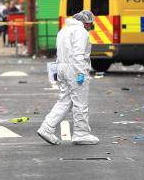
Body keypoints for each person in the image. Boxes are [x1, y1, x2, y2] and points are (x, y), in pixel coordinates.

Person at [37, 9, 99, 145]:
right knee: (80, 102)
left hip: (61, 68)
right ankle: (81, 134)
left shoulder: (63, 30)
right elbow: (78, 54)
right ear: (86, 22)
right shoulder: (81, 32)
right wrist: (81, 72)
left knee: (65, 100)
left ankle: (46, 128)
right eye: (90, 24)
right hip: (74, 69)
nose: (89, 27)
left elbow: (60, 52)